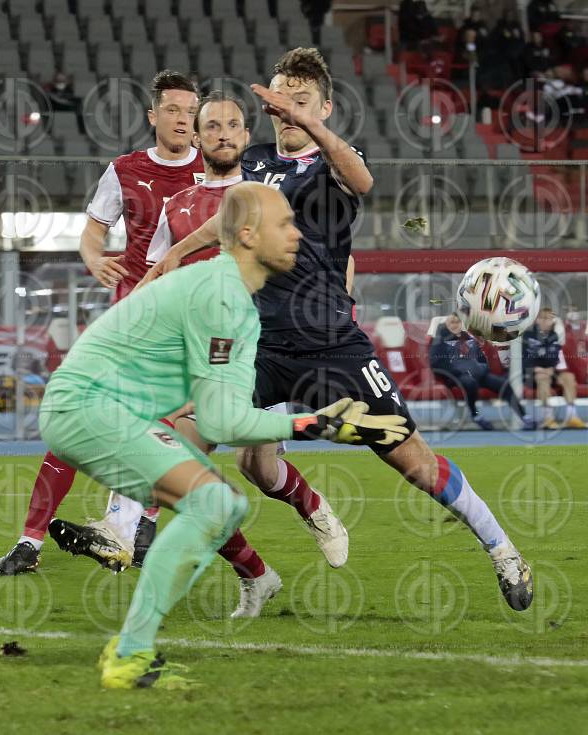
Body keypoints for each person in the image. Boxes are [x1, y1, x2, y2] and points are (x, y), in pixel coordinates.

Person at [144, 47, 534, 615]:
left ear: (323, 106)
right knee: (176, 446)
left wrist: (311, 126)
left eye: (299, 101)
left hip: (332, 346)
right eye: (280, 100)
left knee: (416, 465)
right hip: (261, 347)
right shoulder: (253, 163)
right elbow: (230, 218)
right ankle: (245, 567)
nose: (284, 109)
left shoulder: (335, 162)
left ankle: (503, 549)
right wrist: (175, 254)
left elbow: (364, 179)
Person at [38, 181, 400, 688]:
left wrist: (317, 423)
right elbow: (222, 424)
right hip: (89, 408)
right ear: (248, 234)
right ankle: (129, 655)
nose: (297, 234)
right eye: (285, 224)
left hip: (96, 409)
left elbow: (221, 414)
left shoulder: (231, 297)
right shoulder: (223, 297)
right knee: (214, 503)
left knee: (217, 504)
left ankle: (135, 646)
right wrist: (316, 423)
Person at [51, 92, 351, 620]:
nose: (223, 134)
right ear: (199, 136)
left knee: (259, 467)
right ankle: (231, 566)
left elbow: (325, 255)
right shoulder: (179, 206)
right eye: (211, 126)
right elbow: (159, 273)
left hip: (263, 348)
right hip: (198, 352)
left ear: (245, 132)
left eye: (234, 125)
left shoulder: (269, 192)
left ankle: (310, 509)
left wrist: (335, 308)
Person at [0, 70, 205, 576]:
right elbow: (93, 231)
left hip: (188, 323)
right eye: (172, 110)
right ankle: (30, 542)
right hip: (130, 318)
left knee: (164, 428)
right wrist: (93, 259)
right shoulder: (125, 169)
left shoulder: (217, 172)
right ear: (153, 117)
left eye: (189, 111)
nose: (181, 120)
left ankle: (139, 526)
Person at [429, 313, 534, 430]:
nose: (455, 325)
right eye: (451, 323)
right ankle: (475, 415)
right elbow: (435, 363)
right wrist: (456, 373)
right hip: (457, 377)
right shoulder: (439, 340)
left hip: (479, 374)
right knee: (470, 383)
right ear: (446, 324)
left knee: (504, 384)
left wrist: (483, 367)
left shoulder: (469, 338)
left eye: (457, 322)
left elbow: (481, 358)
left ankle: (524, 416)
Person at [522, 308, 587, 429]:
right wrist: (537, 368)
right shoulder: (527, 335)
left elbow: (555, 357)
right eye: (545, 318)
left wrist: (551, 368)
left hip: (551, 371)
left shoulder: (554, 336)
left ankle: (571, 416)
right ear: (538, 319)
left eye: (550, 319)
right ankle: (548, 418)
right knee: (543, 377)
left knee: (568, 377)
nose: (548, 321)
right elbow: (524, 359)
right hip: (533, 374)